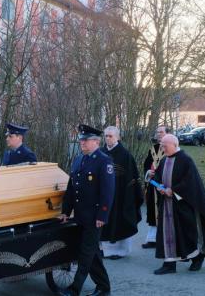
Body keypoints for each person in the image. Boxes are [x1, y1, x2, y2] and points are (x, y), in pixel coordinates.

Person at [152, 134, 205, 275]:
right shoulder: (165, 160)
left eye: (165, 146)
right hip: (166, 205)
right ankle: (169, 264)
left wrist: (174, 190)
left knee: (186, 235)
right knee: (167, 235)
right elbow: (159, 177)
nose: (163, 148)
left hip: (183, 204)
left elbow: (191, 182)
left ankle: (197, 257)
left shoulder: (186, 160)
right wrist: (158, 186)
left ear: (174, 144)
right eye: (162, 146)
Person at [58, 124, 115, 296]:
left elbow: (108, 191)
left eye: (86, 140)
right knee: (92, 254)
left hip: (94, 217)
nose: (82, 143)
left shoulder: (104, 161)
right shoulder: (78, 160)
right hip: (80, 216)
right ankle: (104, 287)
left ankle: (74, 290)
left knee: (85, 254)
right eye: (81, 140)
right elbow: (71, 188)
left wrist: (102, 215)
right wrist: (66, 212)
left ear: (96, 142)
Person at [100, 126, 143, 259]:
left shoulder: (125, 155)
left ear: (118, 137)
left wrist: (128, 197)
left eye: (111, 136)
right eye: (106, 136)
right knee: (104, 220)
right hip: (104, 194)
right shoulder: (100, 152)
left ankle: (119, 251)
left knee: (119, 220)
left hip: (121, 196)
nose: (108, 138)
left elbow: (132, 179)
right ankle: (105, 249)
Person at [142, 126, 169, 249]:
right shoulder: (153, 149)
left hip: (165, 186)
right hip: (153, 185)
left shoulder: (171, 148)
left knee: (164, 212)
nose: (158, 134)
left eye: (161, 132)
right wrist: (148, 172)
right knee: (152, 211)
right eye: (157, 132)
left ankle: (165, 238)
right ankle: (152, 239)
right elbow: (147, 165)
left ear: (167, 134)